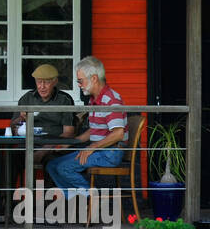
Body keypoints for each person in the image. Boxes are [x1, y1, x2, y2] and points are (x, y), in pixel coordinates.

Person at [46, 56, 125, 199]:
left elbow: (118, 133)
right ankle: (77, 198)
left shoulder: (110, 99)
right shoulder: (94, 99)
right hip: (100, 151)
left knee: (63, 168)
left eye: (80, 81)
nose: (79, 85)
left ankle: (90, 197)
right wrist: (69, 144)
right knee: (52, 165)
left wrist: (91, 147)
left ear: (94, 78)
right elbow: (93, 130)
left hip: (110, 152)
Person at [10, 63, 77, 138]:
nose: (42, 86)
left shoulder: (65, 99)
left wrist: (50, 147)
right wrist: (21, 119)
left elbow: (69, 132)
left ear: (55, 82)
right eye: (39, 82)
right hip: (29, 143)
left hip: (54, 144)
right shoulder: (27, 98)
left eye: (47, 82)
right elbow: (13, 128)